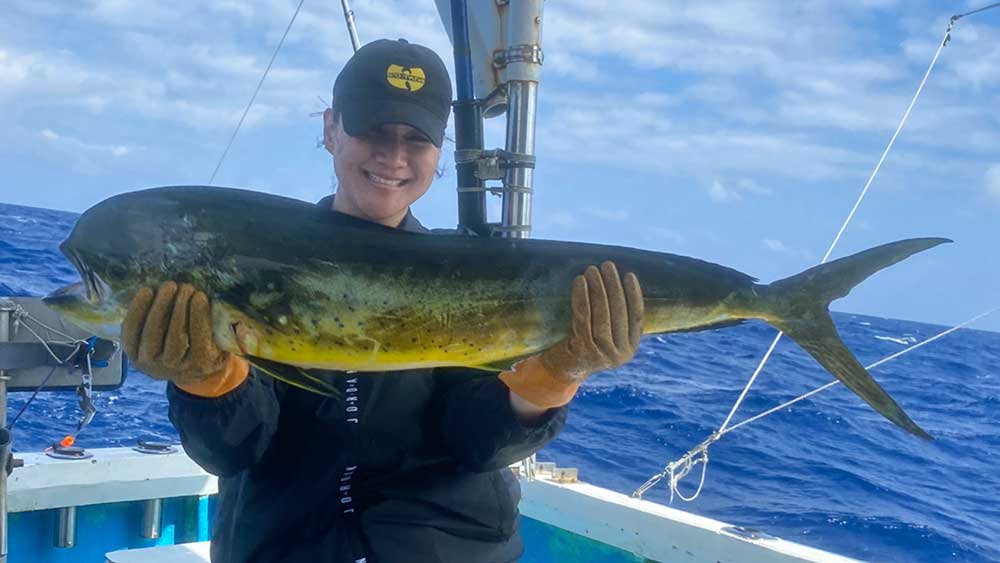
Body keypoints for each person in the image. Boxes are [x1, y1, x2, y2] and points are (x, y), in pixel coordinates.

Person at [121, 39, 644, 563]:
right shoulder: (250, 265)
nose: (393, 156)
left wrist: (555, 374)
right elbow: (234, 450)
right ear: (331, 128)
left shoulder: (468, 278)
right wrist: (206, 379)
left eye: (415, 139)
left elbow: (479, 443)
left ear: (438, 151)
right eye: (373, 130)